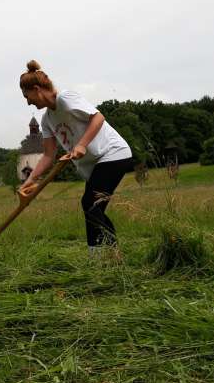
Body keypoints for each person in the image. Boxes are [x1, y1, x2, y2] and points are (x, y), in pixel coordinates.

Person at [18, 60, 134, 254]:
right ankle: (110, 256)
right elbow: (48, 155)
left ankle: (102, 258)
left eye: (26, 95)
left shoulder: (66, 98)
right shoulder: (46, 120)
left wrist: (81, 144)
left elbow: (98, 117)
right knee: (93, 208)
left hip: (113, 153)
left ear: (36, 89)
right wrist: (29, 181)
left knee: (90, 204)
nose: (28, 101)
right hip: (95, 164)